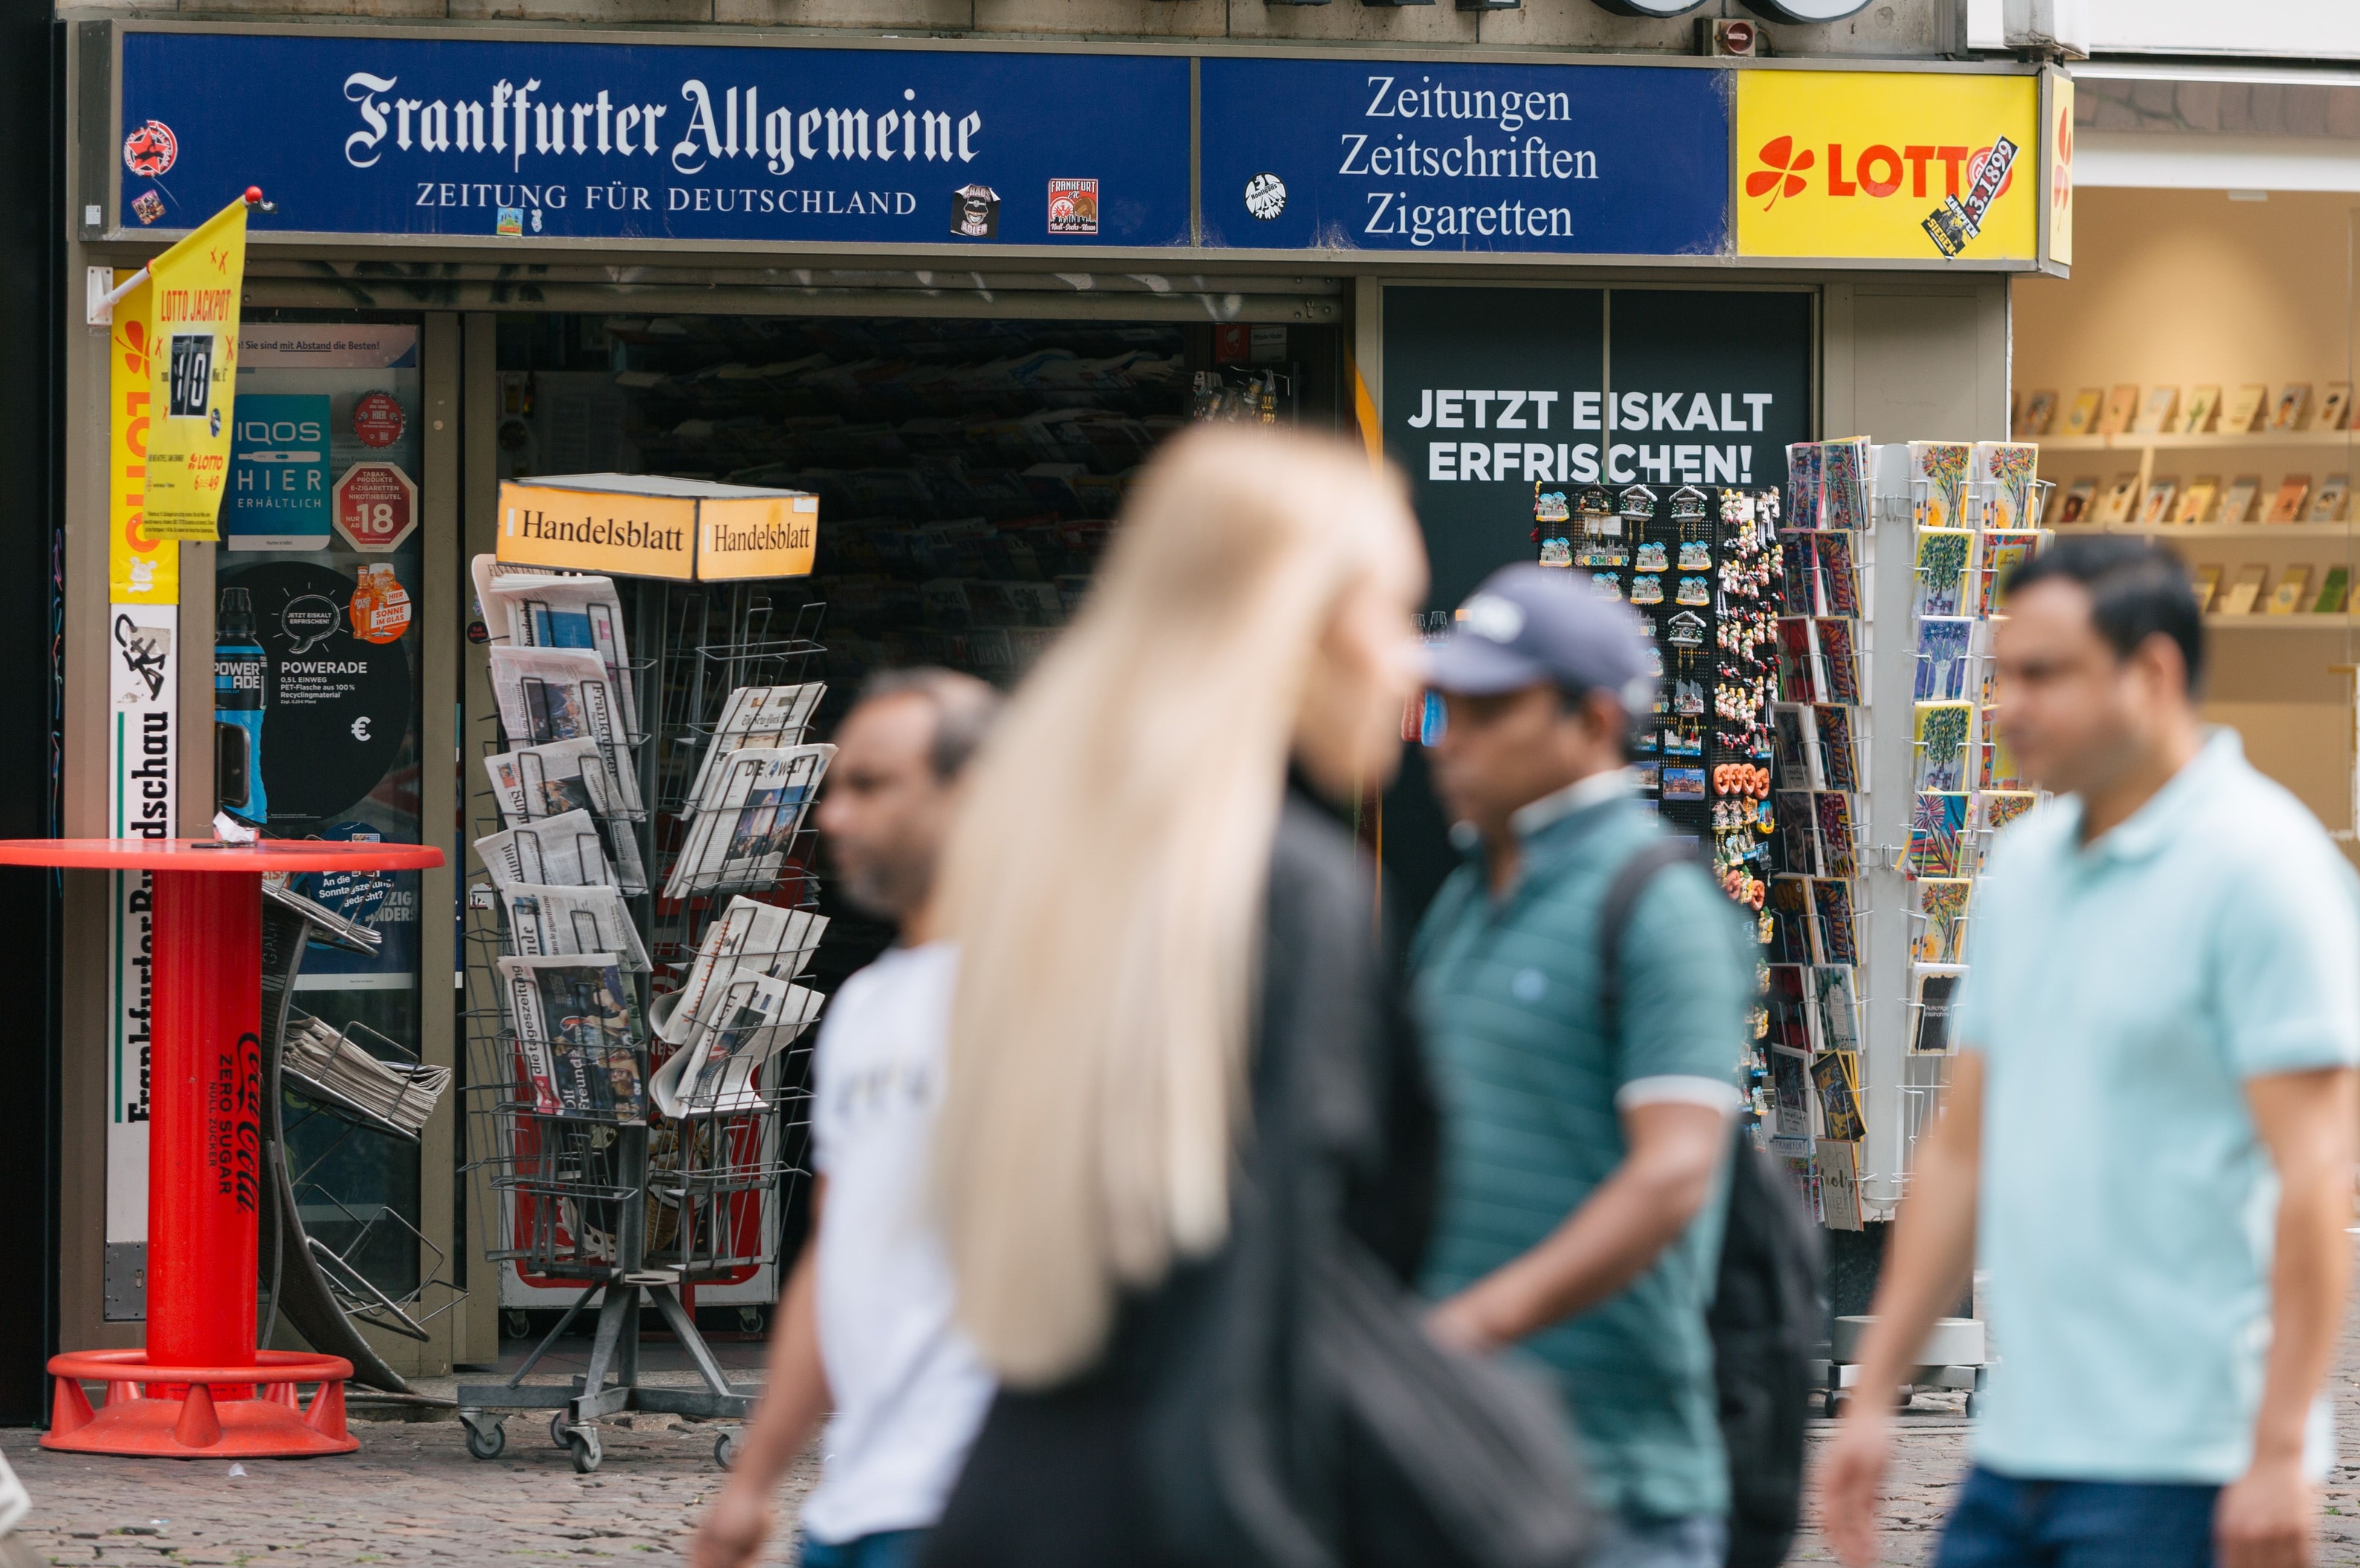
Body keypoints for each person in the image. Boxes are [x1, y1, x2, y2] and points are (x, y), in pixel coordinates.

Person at [916, 425, 1451, 1568]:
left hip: (1023, 1494)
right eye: (1397, 613)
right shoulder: (1283, 894)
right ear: (1299, 620)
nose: (1415, 665)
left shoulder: (1052, 875)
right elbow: (1266, 1305)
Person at [1818, 535, 2360, 1568]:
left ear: (2152, 673)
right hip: (2018, 1450)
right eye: (1999, 677)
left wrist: (2280, 1448)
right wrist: (1874, 1394)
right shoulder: (2021, 872)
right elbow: (1960, 1153)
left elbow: (2316, 1179)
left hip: (2188, 1465)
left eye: (2044, 675)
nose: (2007, 707)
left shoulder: (2267, 872)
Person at [1409, 562, 1755, 1568]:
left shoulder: (1660, 905)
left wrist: (1471, 1328)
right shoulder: (1466, 900)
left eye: (1491, 706)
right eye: (1446, 704)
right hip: (1456, 1464)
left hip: (1608, 1490)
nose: (1453, 734)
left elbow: (1674, 1172)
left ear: (1594, 721)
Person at [689, 667, 1003, 1568]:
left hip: (989, 1499)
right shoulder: (865, 1008)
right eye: (833, 789)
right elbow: (837, 1258)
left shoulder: (1047, 992)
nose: (832, 817)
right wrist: (751, 1487)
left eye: (871, 786)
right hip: (856, 1500)